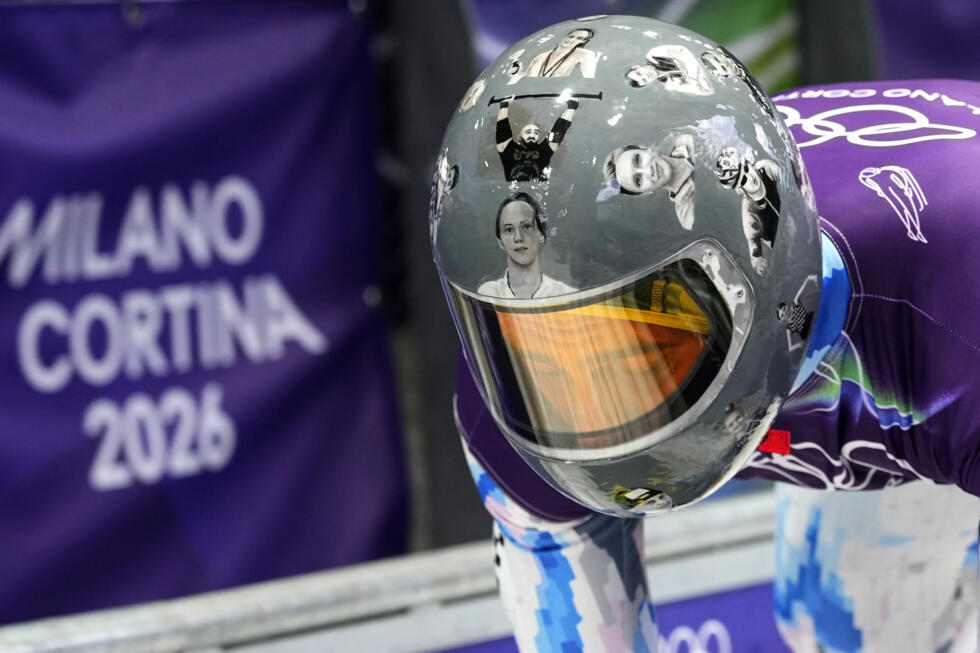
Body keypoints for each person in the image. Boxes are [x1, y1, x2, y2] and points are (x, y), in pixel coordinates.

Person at [432, 15, 980, 652]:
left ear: (759, 265)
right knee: (841, 620)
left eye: (649, 341)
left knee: (863, 619)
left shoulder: (958, 310)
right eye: (546, 352)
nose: (591, 394)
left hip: (943, 319)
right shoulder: (501, 374)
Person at [477, 192, 575, 299]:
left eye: (526, 227)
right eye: (509, 230)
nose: (518, 237)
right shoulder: (489, 294)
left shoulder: (565, 295)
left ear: (541, 235)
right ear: (500, 242)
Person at [714, 146, 782, 275]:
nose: (749, 179)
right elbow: (755, 252)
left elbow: (790, 187)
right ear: (739, 189)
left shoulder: (766, 168)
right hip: (783, 245)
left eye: (746, 170)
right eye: (743, 180)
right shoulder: (749, 213)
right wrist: (759, 265)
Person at [603, 134, 695, 229]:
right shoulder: (688, 216)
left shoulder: (688, 139)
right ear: (644, 192)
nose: (648, 171)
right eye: (638, 180)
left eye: (638, 159)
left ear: (645, 149)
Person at [496, 96, 579, 181]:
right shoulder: (508, 150)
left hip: (538, 189)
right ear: (519, 136)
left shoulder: (544, 150)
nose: (532, 135)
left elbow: (559, 130)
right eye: (528, 132)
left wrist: (572, 107)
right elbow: (502, 129)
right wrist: (504, 105)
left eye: (536, 133)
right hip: (514, 189)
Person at [521, 27, 598, 79]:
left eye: (579, 38)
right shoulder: (541, 57)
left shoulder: (584, 55)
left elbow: (588, 79)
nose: (571, 40)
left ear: (583, 41)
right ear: (565, 36)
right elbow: (528, 79)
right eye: (571, 36)